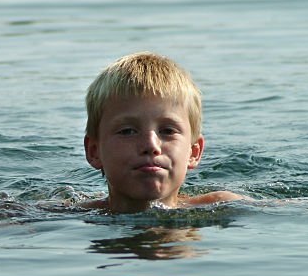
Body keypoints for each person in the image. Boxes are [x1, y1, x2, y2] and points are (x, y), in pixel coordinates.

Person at [81, 52, 242, 212]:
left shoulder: (224, 205)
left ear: (193, 152)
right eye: (128, 131)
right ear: (94, 151)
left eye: (167, 131)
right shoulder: (65, 215)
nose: (151, 145)